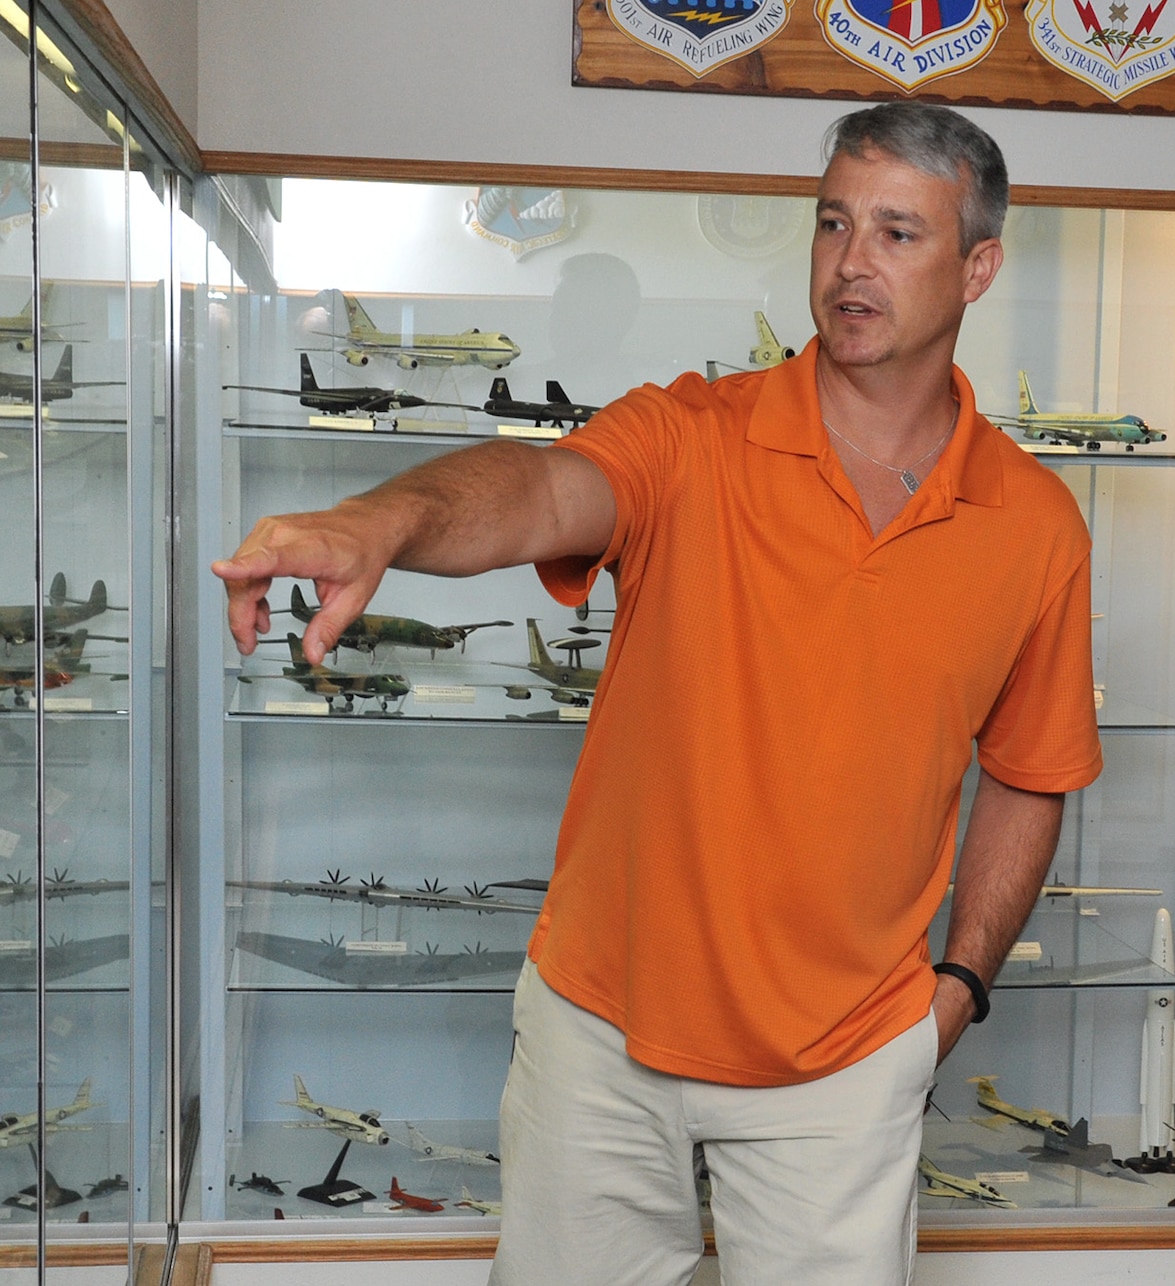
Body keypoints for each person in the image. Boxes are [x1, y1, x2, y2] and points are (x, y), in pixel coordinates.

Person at [213, 103, 1101, 1285]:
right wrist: (381, 519)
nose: (850, 262)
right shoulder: (693, 435)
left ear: (976, 267)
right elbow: (538, 490)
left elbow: (1031, 773)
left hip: (843, 1063)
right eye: (832, 223)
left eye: (896, 232)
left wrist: (960, 989)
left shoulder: (1032, 524)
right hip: (601, 1036)